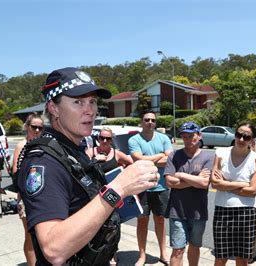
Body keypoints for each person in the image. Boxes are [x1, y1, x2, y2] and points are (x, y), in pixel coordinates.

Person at [17, 67, 160, 265]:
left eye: (92, 101)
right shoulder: (44, 161)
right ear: (53, 108)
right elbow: (54, 249)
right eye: (78, 102)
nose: (90, 110)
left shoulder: (72, 150)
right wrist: (119, 188)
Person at [210, 122, 256, 266]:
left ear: (252, 140)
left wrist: (225, 183)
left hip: (246, 212)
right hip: (223, 209)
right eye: (239, 135)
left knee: (242, 258)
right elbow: (214, 183)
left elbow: (253, 191)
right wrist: (242, 184)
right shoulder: (221, 153)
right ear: (235, 134)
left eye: (246, 137)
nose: (241, 139)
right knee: (220, 257)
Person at [164, 122, 214, 266]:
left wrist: (181, 175)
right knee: (178, 250)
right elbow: (170, 182)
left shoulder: (208, 157)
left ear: (199, 136)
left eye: (191, 136)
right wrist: (196, 179)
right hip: (177, 211)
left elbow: (205, 184)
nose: (187, 139)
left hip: (198, 212)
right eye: (184, 136)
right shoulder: (174, 155)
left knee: (194, 246)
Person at [128, 110, 173, 265]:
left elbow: (170, 159)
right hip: (142, 186)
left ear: (156, 122)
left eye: (153, 120)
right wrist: (159, 156)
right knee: (142, 221)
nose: (150, 122)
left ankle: (163, 253)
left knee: (160, 221)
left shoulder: (164, 138)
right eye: (146, 119)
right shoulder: (134, 140)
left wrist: (148, 160)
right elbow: (138, 160)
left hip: (161, 187)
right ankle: (142, 256)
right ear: (141, 121)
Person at [85, 127, 133, 265]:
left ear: (112, 140)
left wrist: (123, 174)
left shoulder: (117, 154)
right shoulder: (90, 152)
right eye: (102, 138)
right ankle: (94, 253)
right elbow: (82, 168)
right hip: (94, 195)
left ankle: (113, 253)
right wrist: (95, 159)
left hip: (112, 195)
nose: (105, 141)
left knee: (114, 225)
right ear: (98, 139)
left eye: (108, 138)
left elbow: (131, 163)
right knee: (95, 225)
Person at [11, 113, 44, 266]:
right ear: (27, 127)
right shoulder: (21, 146)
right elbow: (16, 174)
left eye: (40, 128)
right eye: (34, 127)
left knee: (43, 234)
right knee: (30, 235)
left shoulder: (44, 144)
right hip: (26, 196)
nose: (37, 130)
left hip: (44, 195)